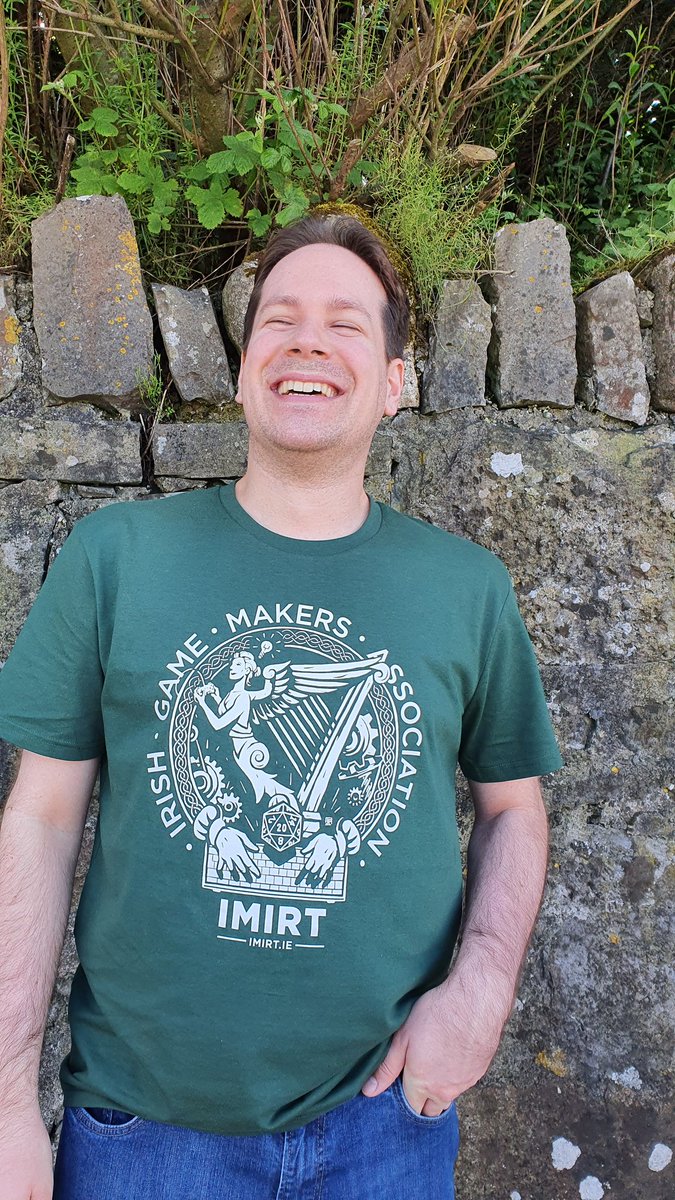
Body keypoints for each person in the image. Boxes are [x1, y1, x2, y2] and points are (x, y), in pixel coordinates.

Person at [0, 214, 563, 1199]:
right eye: (281, 318)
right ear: (248, 360)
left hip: (388, 1126)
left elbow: (514, 808)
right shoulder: (116, 559)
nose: (308, 341)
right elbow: (40, 823)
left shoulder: (465, 589)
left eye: (347, 323)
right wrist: (6, 1108)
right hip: (147, 1138)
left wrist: (481, 991)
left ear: (396, 381)